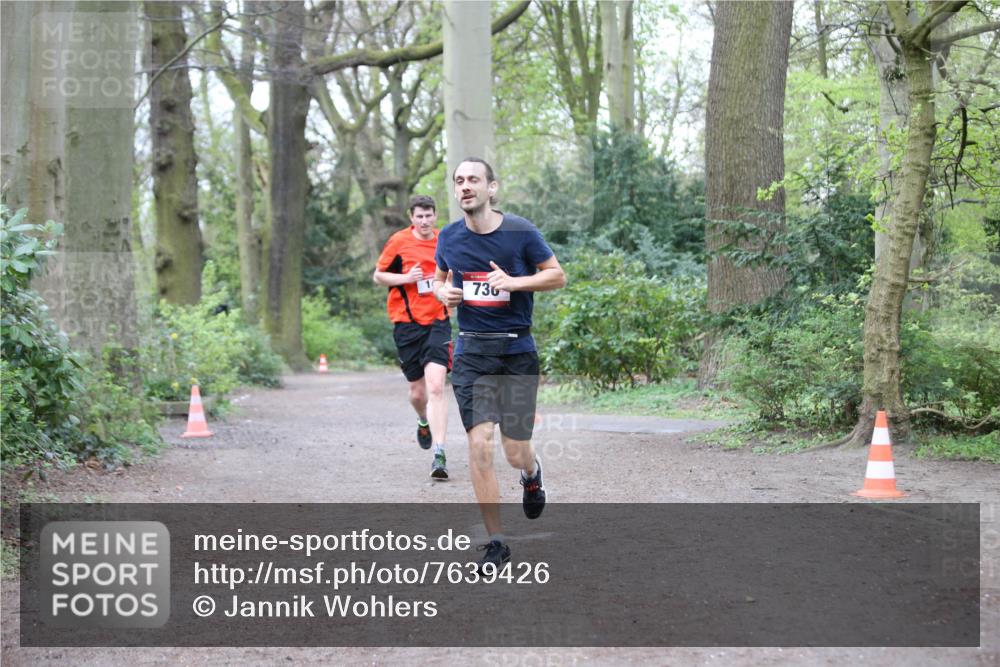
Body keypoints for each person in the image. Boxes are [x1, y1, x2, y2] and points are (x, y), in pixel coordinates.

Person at [433, 158, 566, 571]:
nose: (465, 186)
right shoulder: (449, 237)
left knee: (514, 450)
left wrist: (514, 282)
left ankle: (531, 474)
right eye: (459, 181)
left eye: (473, 179)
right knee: (478, 444)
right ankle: (496, 541)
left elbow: (557, 275)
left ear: (492, 188)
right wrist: (443, 294)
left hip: (516, 350)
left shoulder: (521, 232)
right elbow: (440, 278)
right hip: (472, 350)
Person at [373, 195, 452, 480]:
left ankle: (440, 454)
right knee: (418, 393)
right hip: (406, 324)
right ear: (411, 217)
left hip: (438, 322)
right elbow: (379, 276)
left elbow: (457, 273)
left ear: (435, 215)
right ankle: (422, 420)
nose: (424, 220)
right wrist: (406, 278)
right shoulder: (398, 242)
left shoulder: (446, 240)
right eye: (419, 216)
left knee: (437, 388)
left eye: (429, 215)